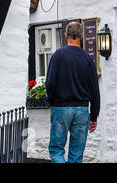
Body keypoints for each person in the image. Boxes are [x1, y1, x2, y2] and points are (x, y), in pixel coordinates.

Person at [45, 21, 100, 163]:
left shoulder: (58, 55)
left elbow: (50, 83)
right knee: (76, 154)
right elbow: (95, 90)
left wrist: (52, 101)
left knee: (57, 150)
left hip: (61, 108)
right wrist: (94, 116)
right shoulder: (88, 59)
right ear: (81, 36)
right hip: (82, 110)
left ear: (65, 35)